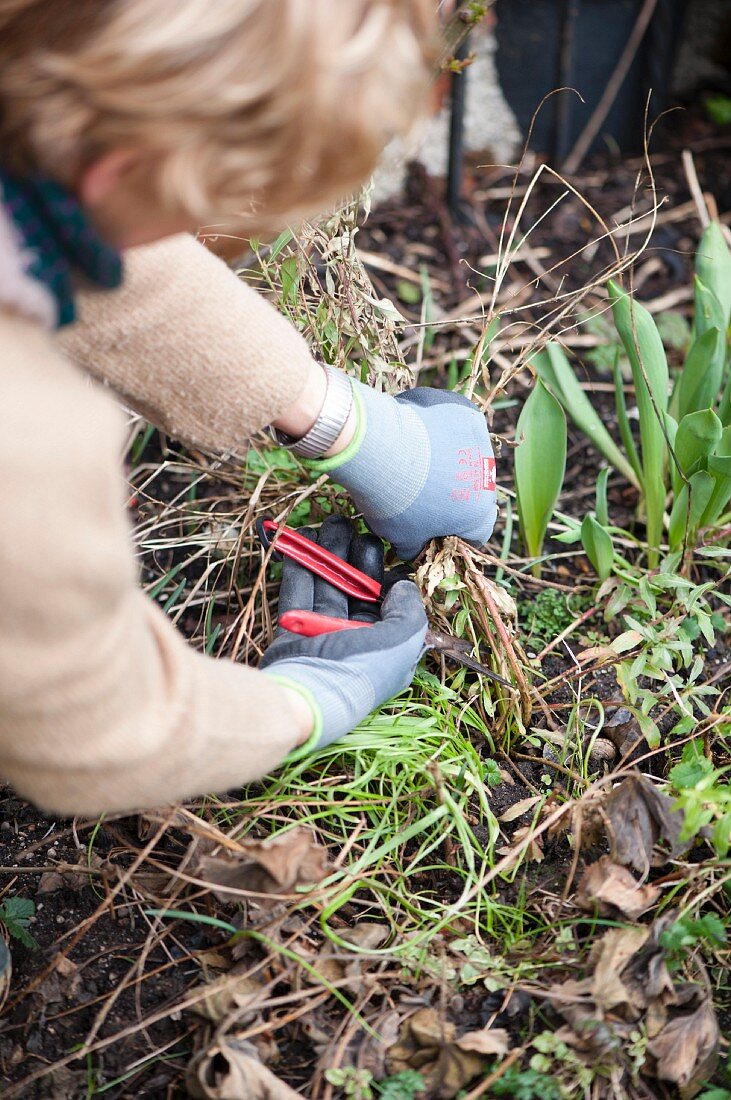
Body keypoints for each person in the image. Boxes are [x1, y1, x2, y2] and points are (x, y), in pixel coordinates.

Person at [0, 0, 498, 817]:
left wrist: (334, 414)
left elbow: (70, 234)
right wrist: (311, 700)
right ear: (120, 170)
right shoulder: (24, 434)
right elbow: (99, 739)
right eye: (203, 209)